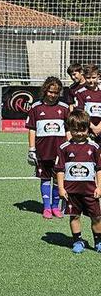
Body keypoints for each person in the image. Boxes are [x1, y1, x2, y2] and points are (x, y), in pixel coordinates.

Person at [55, 110, 101, 253]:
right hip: (71, 191)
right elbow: (60, 170)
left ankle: (98, 241)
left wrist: (99, 186)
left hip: (90, 190)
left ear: (88, 129)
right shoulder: (64, 148)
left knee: (97, 217)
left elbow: (99, 169)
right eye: (75, 130)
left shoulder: (94, 147)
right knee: (74, 216)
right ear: (70, 129)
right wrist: (61, 188)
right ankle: (77, 241)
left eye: (83, 130)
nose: (79, 133)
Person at [26, 76, 68, 219]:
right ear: (45, 90)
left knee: (57, 179)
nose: (53, 95)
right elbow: (32, 129)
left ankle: (56, 206)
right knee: (45, 178)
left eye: (56, 93)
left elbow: (68, 130)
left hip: (59, 152)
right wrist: (31, 149)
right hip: (43, 151)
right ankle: (46, 207)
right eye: (50, 92)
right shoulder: (36, 107)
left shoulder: (64, 108)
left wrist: (70, 148)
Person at [74, 64, 101, 143]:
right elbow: (80, 113)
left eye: (93, 77)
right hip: (87, 130)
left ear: (98, 76)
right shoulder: (80, 93)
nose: (91, 80)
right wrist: (93, 127)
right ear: (84, 77)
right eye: (88, 78)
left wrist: (99, 127)